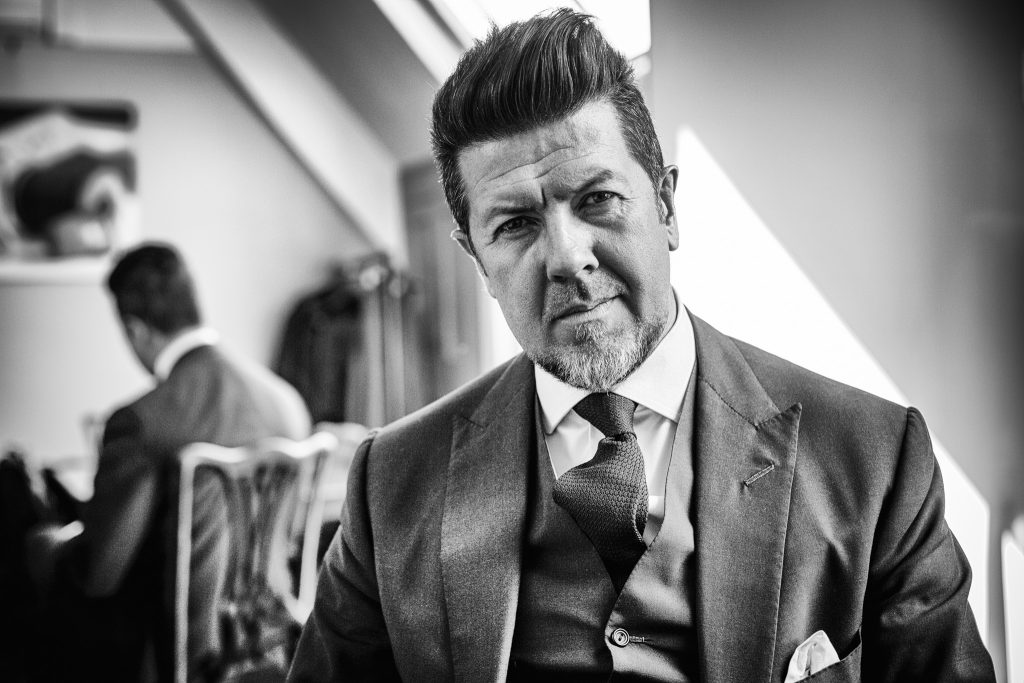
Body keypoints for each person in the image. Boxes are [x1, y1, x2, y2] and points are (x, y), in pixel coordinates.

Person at [289, 10, 994, 682]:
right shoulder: (392, 483)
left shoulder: (872, 459)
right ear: (477, 259)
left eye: (597, 199)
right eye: (515, 225)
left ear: (666, 206)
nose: (567, 256)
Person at [13, 242, 312, 681]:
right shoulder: (286, 403)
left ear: (135, 329)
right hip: (273, 643)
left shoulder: (140, 422)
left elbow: (101, 576)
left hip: (178, 654)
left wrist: (49, 544)